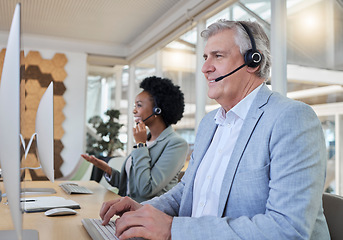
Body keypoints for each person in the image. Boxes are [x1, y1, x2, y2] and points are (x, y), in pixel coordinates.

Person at [99, 20, 330, 240]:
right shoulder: (210, 123)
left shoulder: (291, 118)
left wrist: (173, 230)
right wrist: (144, 210)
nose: (205, 68)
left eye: (218, 56)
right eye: (205, 57)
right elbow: (187, 190)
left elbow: (287, 229)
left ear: (253, 61)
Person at [82, 76, 188, 203]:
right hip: (128, 210)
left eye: (139, 105)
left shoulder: (176, 144)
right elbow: (131, 186)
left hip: (151, 215)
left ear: (157, 110)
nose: (134, 110)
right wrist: (107, 169)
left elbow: (146, 189)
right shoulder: (146, 139)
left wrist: (140, 145)